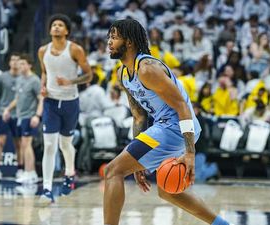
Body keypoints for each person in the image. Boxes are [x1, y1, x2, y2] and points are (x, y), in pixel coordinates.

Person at [104, 19, 230, 225]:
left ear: (129, 42)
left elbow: (182, 106)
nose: (109, 41)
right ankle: (221, 224)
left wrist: (190, 153)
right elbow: (139, 117)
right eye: (109, 36)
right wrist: (137, 165)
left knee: (112, 170)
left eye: (115, 37)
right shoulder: (123, 74)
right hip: (163, 128)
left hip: (176, 127)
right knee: (168, 191)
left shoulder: (147, 68)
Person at [38, 14, 92, 203]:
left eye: (61, 25)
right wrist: (43, 87)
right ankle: (46, 189)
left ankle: (69, 173)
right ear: (50, 30)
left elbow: (89, 76)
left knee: (65, 145)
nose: (57, 27)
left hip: (70, 102)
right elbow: (44, 73)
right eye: (54, 25)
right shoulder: (42, 50)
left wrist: (71, 81)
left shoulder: (75, 49)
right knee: (50, 145)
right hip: (51, 103)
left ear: (67, 31)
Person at [3, 54, 42, 184]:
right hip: (20, 116)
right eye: (20, 64)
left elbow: (41, 99)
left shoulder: (35, 80)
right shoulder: (20, 79)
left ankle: (31, 173)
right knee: (22, 145)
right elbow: (18, 98)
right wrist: (8, 108)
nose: (20, 66)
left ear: (29, 65)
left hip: (29, 116)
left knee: (27, 144)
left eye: (23, 64)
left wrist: (37, 115)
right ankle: (27, 171)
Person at [0, 53, 22, 181]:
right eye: (12, 60)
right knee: (0, 141)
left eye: (17, 60)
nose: (14, 62)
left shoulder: (24, 78)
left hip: (18, 115)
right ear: (9, 63)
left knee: (18, 143)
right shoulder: (2, 77)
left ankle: (20, 168)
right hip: (2, 114)